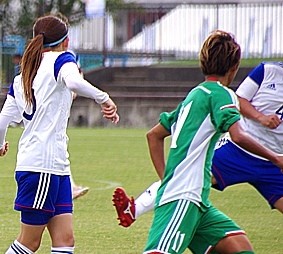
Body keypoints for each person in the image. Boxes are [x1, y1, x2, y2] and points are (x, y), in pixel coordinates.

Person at [72, 31, 283, 254]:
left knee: (243, 252)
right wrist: (276, 158)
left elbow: (154, 135)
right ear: (235, 65)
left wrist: (167, 180)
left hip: (195, 199)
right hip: (184, 198)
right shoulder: (221, 94)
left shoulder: (194, 95)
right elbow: (238, 136)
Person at [0, 14, 119, 254]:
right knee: (30, 240)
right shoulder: (62, 60)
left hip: (54, 165)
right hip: (42, 166)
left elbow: (0, 125)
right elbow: (72, 83)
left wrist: (1, 146)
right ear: (66, 40)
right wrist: (103, 98)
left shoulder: (24, 74)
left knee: (65, 240)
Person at [113, 61, 283, 224]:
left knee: (237, 245)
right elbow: (239, 100)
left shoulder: (206, 94)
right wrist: (260, 117)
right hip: (238, 149)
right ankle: (134, 209)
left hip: (275, 162)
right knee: (187, 177)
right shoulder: (267, 71)